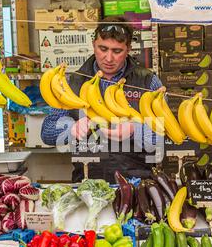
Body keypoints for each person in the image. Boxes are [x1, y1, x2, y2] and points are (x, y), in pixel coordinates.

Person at [40, 16, 164, 183]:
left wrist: (135, 130)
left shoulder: (148, 82)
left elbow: (165, 135)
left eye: (117, 51)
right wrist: (71, 128)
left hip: (137, 183)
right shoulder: (72, 83)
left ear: (128, 49)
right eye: (103, 49)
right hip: (87, 183)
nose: (109, 58)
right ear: (93, 45)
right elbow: (46, 132)